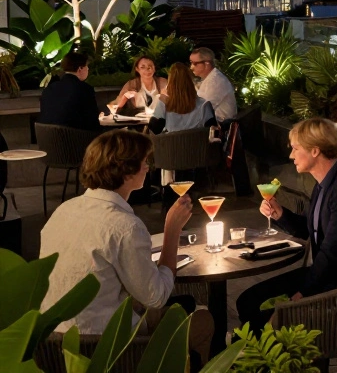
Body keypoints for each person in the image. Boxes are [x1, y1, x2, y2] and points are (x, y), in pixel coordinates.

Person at [39, 129, 212, 362]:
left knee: (182, 304)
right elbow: (157, 296)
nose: (148, 167)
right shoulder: (125, 226)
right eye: (144, 161)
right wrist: (172, 231)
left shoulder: (63, 211)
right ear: (126, 171)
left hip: (51, 347)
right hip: (106, 349)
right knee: (203, 320)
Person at [236, 118, 337, 332]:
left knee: (255, 315)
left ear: (315, 151)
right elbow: (311, 229)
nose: (290, 155)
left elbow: (332, 252)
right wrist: (280, 214)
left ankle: (265, 358)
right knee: (248, 300)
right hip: (331, 274)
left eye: (296, 148)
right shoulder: (326, 182)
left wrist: (304, 293)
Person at [37, 52, 102, 133]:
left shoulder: (49, 89)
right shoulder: (84, 89)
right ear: (80, 69)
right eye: (87, 66)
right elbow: (92, 120)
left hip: (48, 140)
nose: (88, 69)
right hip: (75, 139)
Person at [147, 63, 216, 135]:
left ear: (170, 82)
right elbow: (213, 133)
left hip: (171, 145)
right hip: (197, 145)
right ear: (190, 81)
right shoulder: (204, 105)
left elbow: (155, 130)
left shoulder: (164, 103)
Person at [189, 47, 237, 124]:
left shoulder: (215, 81)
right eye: (191, 62)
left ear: (207, 64)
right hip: (212, 125)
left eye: (195, 64)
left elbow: (202, 109)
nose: (191, 67)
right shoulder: (210, 78)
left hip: (220, 128)